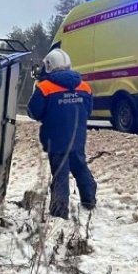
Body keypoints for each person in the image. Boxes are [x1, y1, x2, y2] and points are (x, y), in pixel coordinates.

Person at [27, 49, 97, 220]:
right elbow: (89, 110)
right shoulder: (84, 86)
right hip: (78, 137)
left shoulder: (44, 88)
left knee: (60, 174)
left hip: (56, 140)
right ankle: (89, 199)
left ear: (49, 65)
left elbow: (33, 112)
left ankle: (59, 211)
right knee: (80, 167)